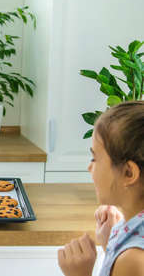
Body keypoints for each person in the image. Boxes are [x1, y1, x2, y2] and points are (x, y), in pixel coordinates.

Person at [57, 101, 144, 276]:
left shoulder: (132, 261)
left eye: (95, 158)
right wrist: (111, 243)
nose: (90, 167)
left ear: (128, 173)